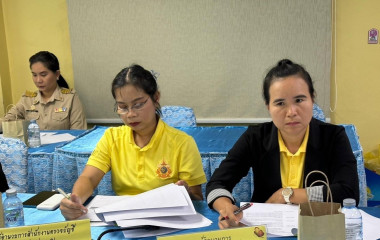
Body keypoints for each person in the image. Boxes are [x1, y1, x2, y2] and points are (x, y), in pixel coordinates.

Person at [206, 59, 359, 229]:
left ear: (312, 99)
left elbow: (349, 192)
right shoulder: (255, 137)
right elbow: (216, 184)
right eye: (280, 103)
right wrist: (225, 207)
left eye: (299, 100)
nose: (291, 112)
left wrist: (287, 195)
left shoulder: (333, 137)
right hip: (268, 231)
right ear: (268, 107)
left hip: (318, 230)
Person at [60, 64, 207, 220]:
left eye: (138, 105)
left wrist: (185, 193)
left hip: (167, 221)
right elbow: (88, 178)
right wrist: (75, 200)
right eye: (123, 107)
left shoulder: (182, 143)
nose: (130, 114)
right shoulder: (112, 137)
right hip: (124, 221)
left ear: (156, 98)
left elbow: (197, 197)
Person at [0, 51, 87, 132]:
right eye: (34, 75)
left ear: (57, 74)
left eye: (43, 75)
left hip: (61, 147)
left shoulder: (70, 98)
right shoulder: (27, 100)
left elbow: (79, 133)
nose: (38, 80)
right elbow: (6, 121)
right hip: (34, 147)